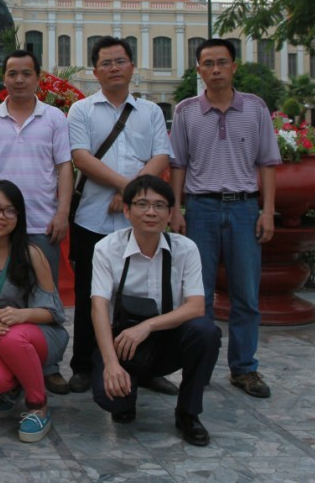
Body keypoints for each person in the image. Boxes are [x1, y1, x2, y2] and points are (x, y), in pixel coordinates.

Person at [169, 39, 281, 400]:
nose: (215, 70)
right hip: (200, 209)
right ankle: (197, 367)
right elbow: (178, 165)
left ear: (234, 67)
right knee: (196, 295)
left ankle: (244, 367)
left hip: (244, 209)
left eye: (222, 62)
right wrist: (176, 209)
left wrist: (267, 211)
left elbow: (267, 163)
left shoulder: (255, 108)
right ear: (198, 70)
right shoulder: (186, 111)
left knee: (245, 294)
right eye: (208, 63)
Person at [65, 37, 173, 396]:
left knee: (142, 292)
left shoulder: (150, 111)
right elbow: (81, 157)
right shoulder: (81, 110)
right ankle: (83, 365)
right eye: (106, 63)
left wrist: (130, 196)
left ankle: (147, 366)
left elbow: (161, 156)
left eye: (120, 61)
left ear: (132, 67)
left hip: (141, 221)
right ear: (95, 71)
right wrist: (129, 188)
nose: (114, 68)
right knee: (89, 293)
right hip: (92, 217)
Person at [91, 176, 221, 446]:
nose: (151, 212)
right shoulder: (106, 249)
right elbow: (98, 307)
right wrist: (111, 363)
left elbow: (196, 306)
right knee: (112, 401)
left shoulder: (185, 249)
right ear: (127, 210)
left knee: (206, 332)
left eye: (159, 206)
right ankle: (129, 387)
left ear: (170, 214)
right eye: (142, 204)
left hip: (167, 339)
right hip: (122, 343)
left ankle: (188, 413)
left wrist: (147, 326)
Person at [0, 49, 72, 393]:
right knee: (4, 295)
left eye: (26, 73)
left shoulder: (54, 118)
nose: (19, 80)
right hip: (1, 225)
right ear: (4, 78)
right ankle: (2, 355)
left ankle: (50, 365)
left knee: (45, 296)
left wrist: (62, 212)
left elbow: (64, 167)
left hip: (43, 223)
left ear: (38, 78)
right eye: (12, 73)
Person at [0, 181, 67, 443]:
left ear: (19, 217)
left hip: (40, 336)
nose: (0, 216)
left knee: (13, 338)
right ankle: (18, 383)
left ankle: (38, 406)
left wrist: (22, 315)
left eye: (9, 211)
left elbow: (55, 312)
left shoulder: (32, 253)